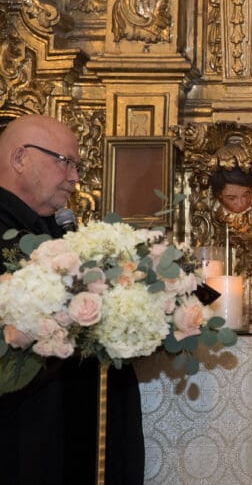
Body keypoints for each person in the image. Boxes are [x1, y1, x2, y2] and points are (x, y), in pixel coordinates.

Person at [0, 114, 144, 484]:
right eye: (65, 162)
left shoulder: (62, 228)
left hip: (76, 427)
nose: (75, 177)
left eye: (77, 166)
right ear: (20, 158)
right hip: (21, 433)